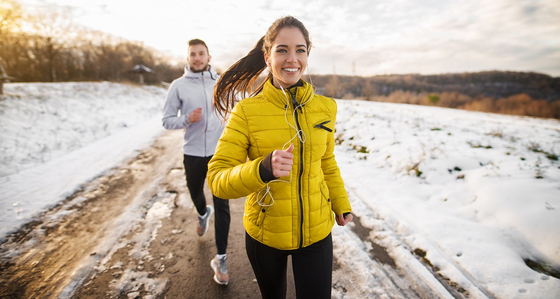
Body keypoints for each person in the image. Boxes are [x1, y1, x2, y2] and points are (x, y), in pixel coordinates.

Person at [207, 16, 353, 299]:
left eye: (300, 49)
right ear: (267, 56)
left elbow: (326, 162)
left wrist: (340, 201)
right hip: (266, 234)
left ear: (308, 54)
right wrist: (262, 169)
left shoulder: (326, 108)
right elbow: (217, 180)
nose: (292, 59)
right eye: (282, 49)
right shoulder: (247, 112)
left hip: (317, 232)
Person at [161, 38, 231, 285]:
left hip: (218, 154)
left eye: (202, 53)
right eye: (193, 54)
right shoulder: (178, 86)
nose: (198, 58)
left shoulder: (221, 83)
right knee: (195, 193)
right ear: (188, 58)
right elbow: (167, 120)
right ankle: (202, 213)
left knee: (223, 205)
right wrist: (187, 119)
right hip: (192, 153)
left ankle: (221, 259)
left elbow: (231, 111)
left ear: (209, 57)